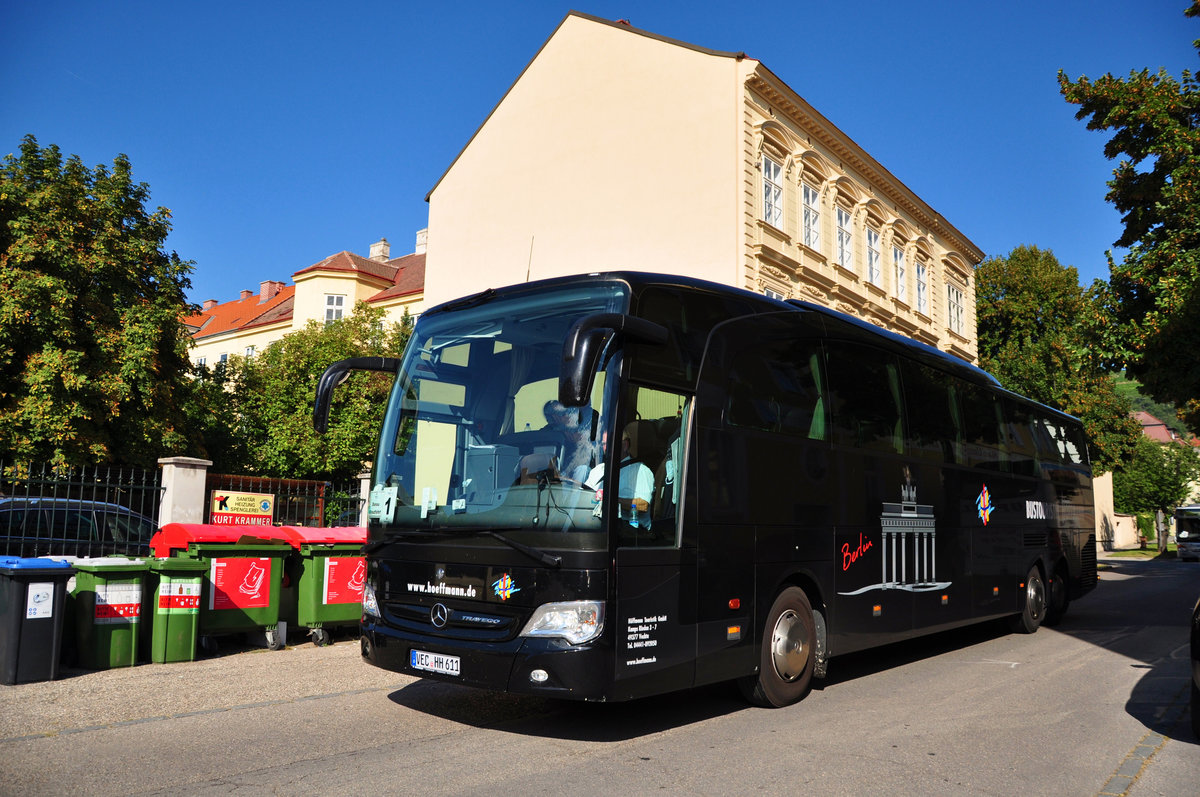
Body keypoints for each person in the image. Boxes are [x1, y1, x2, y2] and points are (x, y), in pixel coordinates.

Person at [585, 422, 653, 530]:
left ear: (625, 445)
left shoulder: (640, 470)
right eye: (603, 444)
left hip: (629, 532)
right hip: (594, 526)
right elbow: (583, 496)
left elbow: (643, 505)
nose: (605, 448)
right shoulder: (598, 470)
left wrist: (611, 499)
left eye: (609, 443)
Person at [542, 400, 596, 482]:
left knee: (582, 470)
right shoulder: (548, 431)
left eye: (564, 413)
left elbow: (589, 445)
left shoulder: (589, 419)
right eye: (562, 414)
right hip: (558, 471)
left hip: (579, 467)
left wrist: (576, 440)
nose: (566, 415)